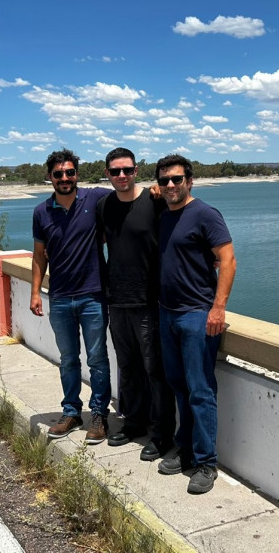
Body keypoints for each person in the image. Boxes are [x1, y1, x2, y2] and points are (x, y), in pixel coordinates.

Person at [154, 154, 236, 495]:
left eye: (177, 179)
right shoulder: (164, 214)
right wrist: (152, 192)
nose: (171, 185)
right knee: (179, 386)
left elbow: (228, 261)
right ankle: (184, 449)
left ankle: (206, 462)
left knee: (200, 390)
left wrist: (217, 308)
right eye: (164, 181)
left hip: (196, 315)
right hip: (167, 312)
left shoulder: (205, 214)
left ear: (190, 181)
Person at [97, 147, 176, 462]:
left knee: (154, 369)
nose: (121, 176)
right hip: (117, 302)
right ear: (108, 174)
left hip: (148, 302)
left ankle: (161, 434)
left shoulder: (155, 201)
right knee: (128, 367)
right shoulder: (105, 206)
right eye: (115, 171)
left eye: (127, 170)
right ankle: (133, 423)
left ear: (136, 170)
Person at [31, 149, 112, 444]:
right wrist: (35, 292)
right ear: (49, 177)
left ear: (77, 173)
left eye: (70, 172)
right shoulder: (41, 212)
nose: (65, 178)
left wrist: (153, 189)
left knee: (97, 359)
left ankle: (99, 414)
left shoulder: (95, 198)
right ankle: (71, 411)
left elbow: (127, 189)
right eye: (58, 174)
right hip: (61, 297)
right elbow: (39, 255)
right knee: (67, 359)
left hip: (93, 295)